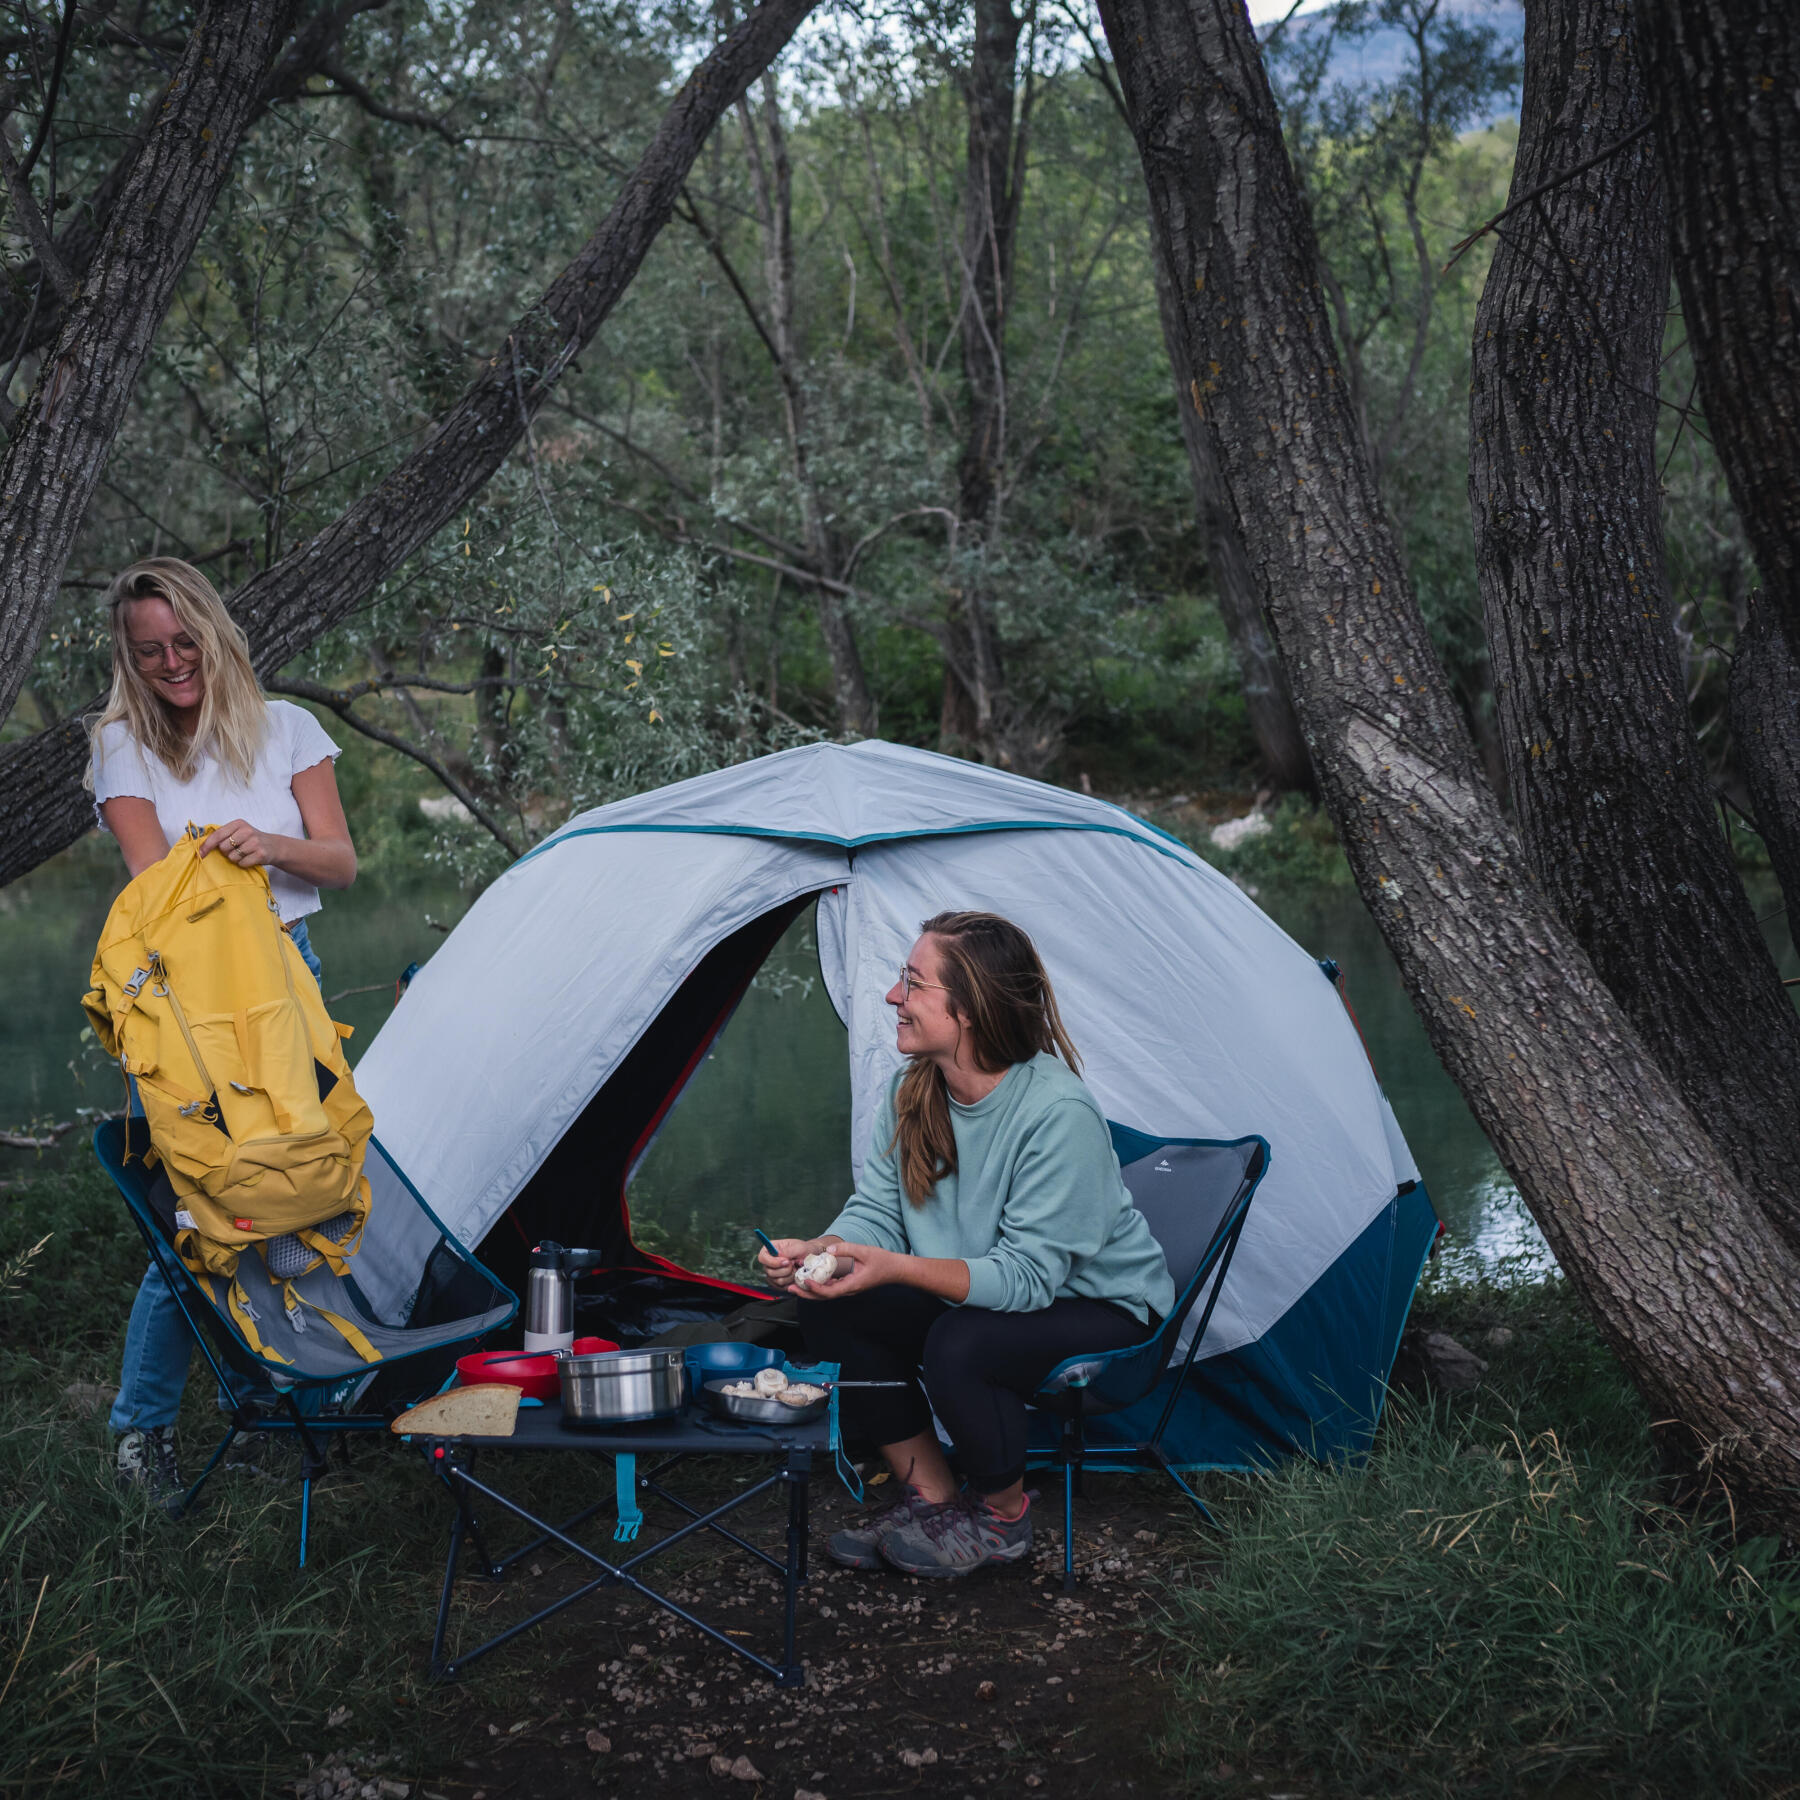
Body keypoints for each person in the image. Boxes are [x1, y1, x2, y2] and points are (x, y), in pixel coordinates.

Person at [759, 910, 1175, 1578]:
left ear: (971, 1007)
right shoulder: (913, 1090)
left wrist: (892, 1266)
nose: (894, 997)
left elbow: (1029, 1281)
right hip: (991, 1287)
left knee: (963, 1340)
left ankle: (1004, 1521)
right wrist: (824, 1249)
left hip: (1103, 1308)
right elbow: (879, 1212)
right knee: (831, 1303)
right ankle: (933, 1500)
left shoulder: (1055, 1112)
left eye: (913, 983)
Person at [86, 556, 357, 1500]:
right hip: (186, 1009)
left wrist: (268, 846)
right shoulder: (124, 745)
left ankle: (284, 1412)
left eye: (185, 641)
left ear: (215, 630)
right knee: (200, 1222)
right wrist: (222, 876)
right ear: (130, 657)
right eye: (149, 649)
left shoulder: (288, 728)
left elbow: (340, 862)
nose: (172, 663)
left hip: (295, 986)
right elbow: (154, 896)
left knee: (300, 1208)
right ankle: (142, 1434)